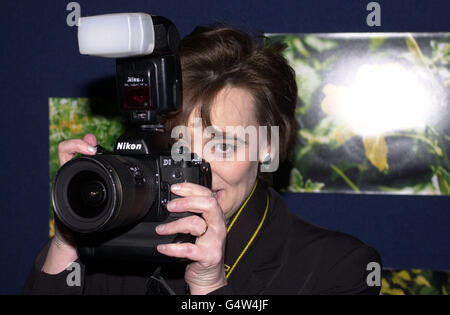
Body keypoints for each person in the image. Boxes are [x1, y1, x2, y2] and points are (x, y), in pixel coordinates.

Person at [23, 25, 381, 295]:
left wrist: (209, 286)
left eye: (223, 146)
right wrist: (71, 236)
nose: (198, 169)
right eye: (175, 144)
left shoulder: (336, 268)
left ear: (267, 147)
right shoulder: (114, 248)